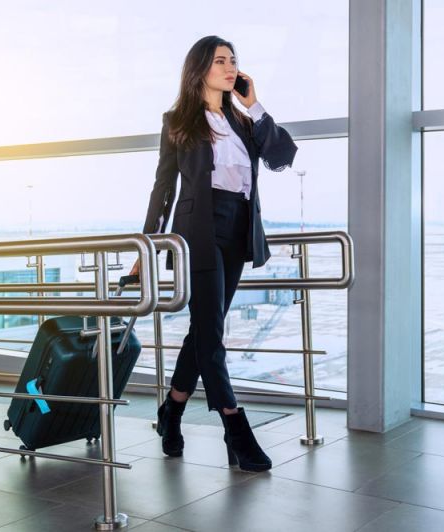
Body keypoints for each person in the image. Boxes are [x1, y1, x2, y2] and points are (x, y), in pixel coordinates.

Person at [129, 35, 297, 472]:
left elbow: (282, 156)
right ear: (200, 68)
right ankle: (235, 428)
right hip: (197, 232)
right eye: (220, 60)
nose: (229, 67)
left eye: (233, 60)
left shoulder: (244, 122)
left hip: (239, 228)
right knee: (213, 337)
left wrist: (256, 106)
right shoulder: (177, 121)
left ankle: (172, 410)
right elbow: (163, 188)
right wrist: (148, 243)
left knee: (205, 332)